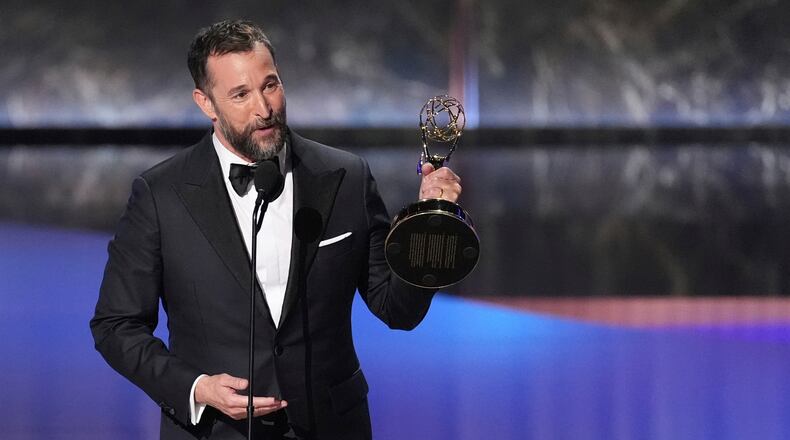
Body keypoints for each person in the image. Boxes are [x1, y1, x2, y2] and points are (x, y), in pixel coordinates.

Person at [90, 19, 462, 440]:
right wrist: (196, 388)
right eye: (240, 94)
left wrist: (431, 222)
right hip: (217, 432)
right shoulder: (161, 194)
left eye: (270, 85)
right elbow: (116, 325)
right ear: (206, 103)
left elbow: (398, 310)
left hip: (331, 426)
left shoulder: (346, 177)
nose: (264, 109)